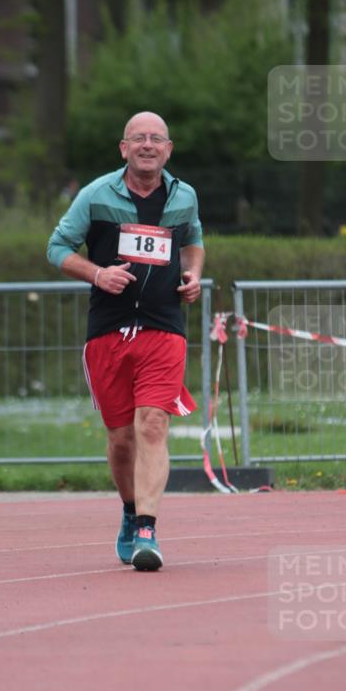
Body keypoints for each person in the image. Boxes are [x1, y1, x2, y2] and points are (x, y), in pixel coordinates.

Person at [47, 111, 204, 571]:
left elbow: (193, 239)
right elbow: (57, 248)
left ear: (168, 149)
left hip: (164, 327)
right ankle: (131, 510)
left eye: (157, 139)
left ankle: (148, 531)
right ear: (124, 148)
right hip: (109, 332)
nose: (148, 145)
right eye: (139, 139)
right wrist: (98, 273)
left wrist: (194, 272)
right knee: (120, 440)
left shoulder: (185, 196)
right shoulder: (95, 195)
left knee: (152, 424)